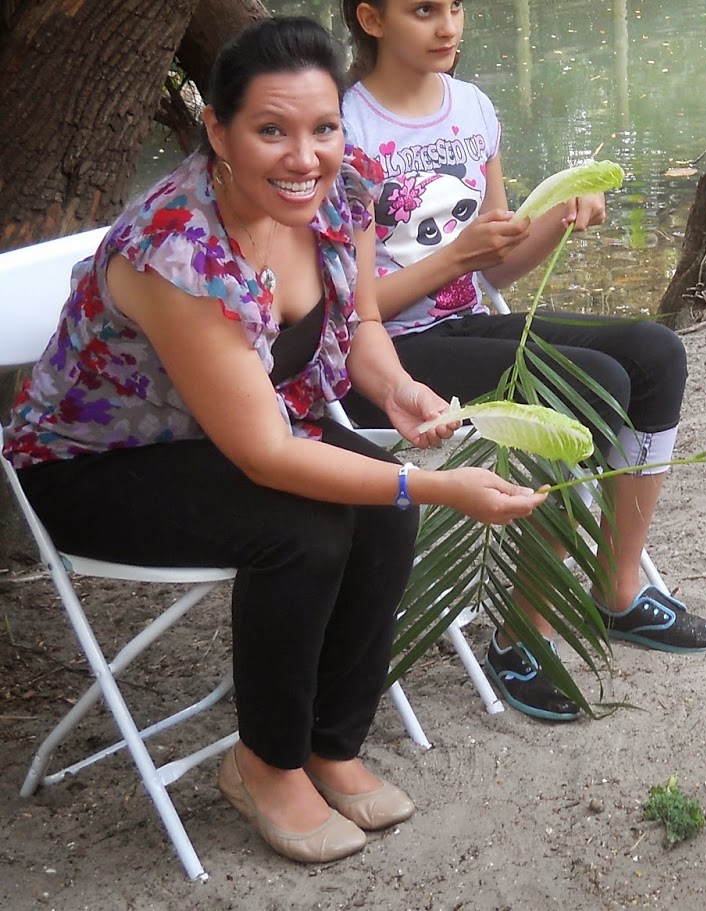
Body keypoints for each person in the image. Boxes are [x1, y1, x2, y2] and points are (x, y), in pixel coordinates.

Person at [2, 18, 543, 865]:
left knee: (382, 513)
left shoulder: (341, 189)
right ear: (216, 131)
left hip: (246, 426)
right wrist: (441, 485)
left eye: (322, 128)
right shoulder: (178, 250)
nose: (305, 156)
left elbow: (362, 321)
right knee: (309, 526)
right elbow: (268, 460)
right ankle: (265, 763)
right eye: (271, 130)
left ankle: (330, 745)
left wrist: (397, 389)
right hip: (94, 469)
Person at [336, 0, 706, 724]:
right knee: (593, 383)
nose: (448, 25)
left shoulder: (475, 110)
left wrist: (559, 216)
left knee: (656, 354)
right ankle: (523, 636)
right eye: (423, 9)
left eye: (454, 6)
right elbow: (351, 311)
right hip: (386, 362)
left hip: (465, 325)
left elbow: (495, 272)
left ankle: (618, 591)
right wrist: (454, 256)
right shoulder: (344, 128)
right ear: (371, 17)